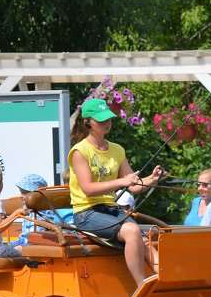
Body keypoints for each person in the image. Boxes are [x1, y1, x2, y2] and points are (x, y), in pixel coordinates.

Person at [69, 97, 164, 284]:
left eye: (109, 119)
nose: (107, 123)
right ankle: (142, 285)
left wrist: (151, 179)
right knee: (132, 231)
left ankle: (168, 281)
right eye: (101, 120)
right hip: (86, 213)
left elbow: (134, 185)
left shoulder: (117, 150)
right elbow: (88, 189)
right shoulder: (80, 151)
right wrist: (122, 181)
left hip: (109, 210)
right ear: (87, 122)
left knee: (144, 241)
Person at [11, 173, 73, 249]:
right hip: (23, 240)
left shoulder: (45, 210)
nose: (21, 196)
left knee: (16, 249)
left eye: (24, 192)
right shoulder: (27, 208)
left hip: (35, 242)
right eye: (21, 192)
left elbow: (52, 226)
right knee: (6, 247)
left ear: (36, 195)